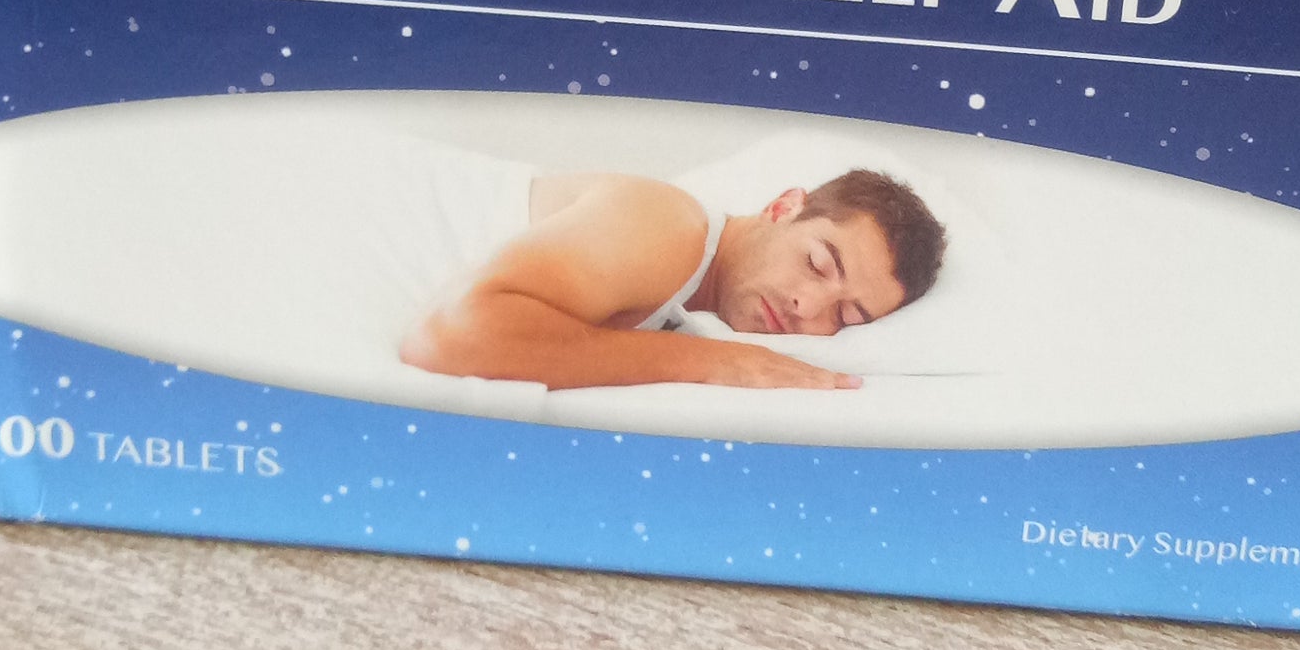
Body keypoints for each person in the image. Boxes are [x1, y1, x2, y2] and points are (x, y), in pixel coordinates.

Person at [405, 164, 946, 395]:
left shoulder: (696, 293)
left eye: (845, 315)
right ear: (783, 208)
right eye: (817, 264)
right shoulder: (668, 228)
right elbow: (449, 337)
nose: (807, 306)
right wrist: (715, 362)